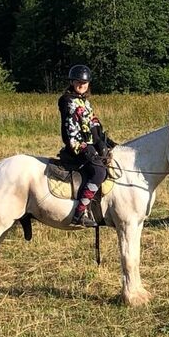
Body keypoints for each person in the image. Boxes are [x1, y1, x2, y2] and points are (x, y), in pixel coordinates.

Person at [58, 64, 112, 228]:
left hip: (89, 145)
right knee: (99, 172)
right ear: (72, 82)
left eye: (85, 82)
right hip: (76, 146)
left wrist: (104, 142)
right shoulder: (67, 101)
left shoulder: (85, 102)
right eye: (78, 81)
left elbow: (94, 124)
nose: (82, 85)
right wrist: (86, 148)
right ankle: (79, 213)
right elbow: (70, 129)